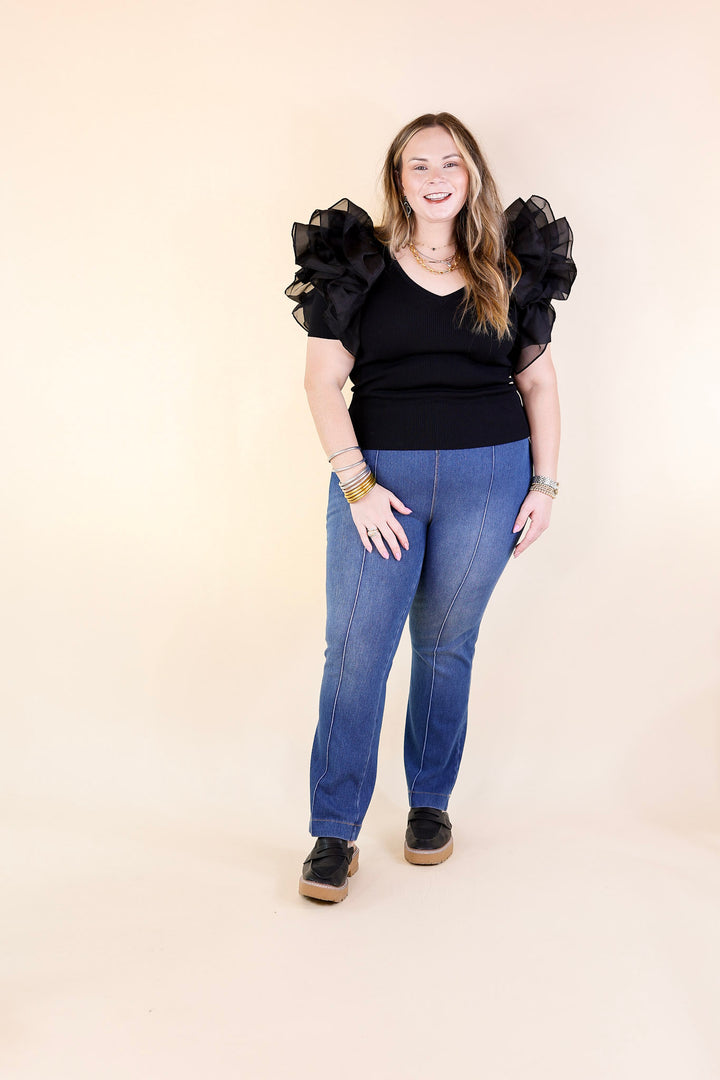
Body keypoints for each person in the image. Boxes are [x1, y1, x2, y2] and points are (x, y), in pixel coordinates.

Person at [285, 112, 577, 902]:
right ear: (399, 179)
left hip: (492, 481)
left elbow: (538, 381)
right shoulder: (356, 265)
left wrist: (544, 486)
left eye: (451, 162)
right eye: (419, 165)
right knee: (356, 652)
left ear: (472, 174)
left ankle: (429, 806)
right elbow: (321, 381)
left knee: (446, 647)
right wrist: (357, 484)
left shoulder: (510, 268)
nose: (437, 177)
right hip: (379, 483)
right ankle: (334, 832)